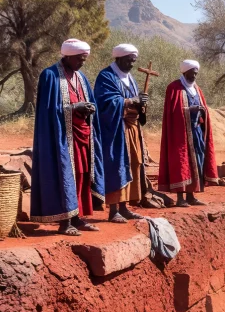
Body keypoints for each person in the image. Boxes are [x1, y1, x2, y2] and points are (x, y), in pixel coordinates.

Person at [32, 38, 103, 235]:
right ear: (68, 56)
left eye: (84, 60)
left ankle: (77, 217)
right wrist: (73, 108)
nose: (82, 63)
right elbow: (47, 110)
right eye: (79, 59)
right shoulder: (50, 75)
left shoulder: (81, 77)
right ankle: (65, 222)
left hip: (82, 135)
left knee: (81, 175)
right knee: (65, 175)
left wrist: (89, 108)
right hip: (61, 138)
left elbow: (90, 100)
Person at [94, 43, 148, 223]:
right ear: (118, 58)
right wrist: (131, 101)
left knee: (132, 163)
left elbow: (134, 101)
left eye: (133, 61)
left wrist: (141, 103)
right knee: (116, 165)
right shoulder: (106, 76)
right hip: (115, 129)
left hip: (131, 127)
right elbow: (105, 102)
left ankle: (125, 208)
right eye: (128, 60)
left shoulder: (130, 78)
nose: (131, 64)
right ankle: (113, 210)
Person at [158, 59, 219, 207]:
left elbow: (204, 109)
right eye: (192, 73)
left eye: (196, 73)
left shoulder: (197, 89)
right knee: (181, 163)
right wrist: (189, 110)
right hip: (180, 134)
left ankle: (191, 196)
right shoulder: (174, 88)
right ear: (185, 72)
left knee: (197, 162)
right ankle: (180, 198)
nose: (194, 76)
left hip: (196, 132)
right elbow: (172, 113)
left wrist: (202, 111)